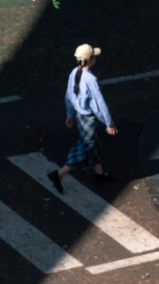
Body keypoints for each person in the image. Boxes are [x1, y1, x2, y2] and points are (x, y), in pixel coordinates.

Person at [48, 43, 118, 194]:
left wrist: (69, 114)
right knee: (85, 146)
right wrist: (109, 123)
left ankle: (99, 173)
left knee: (94, 143)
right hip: (88, 118)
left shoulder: (74, 72)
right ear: (91, 59)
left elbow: (69, 95)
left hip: (79, 116)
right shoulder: (91, 79)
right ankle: (59, 173)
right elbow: (99, 103)